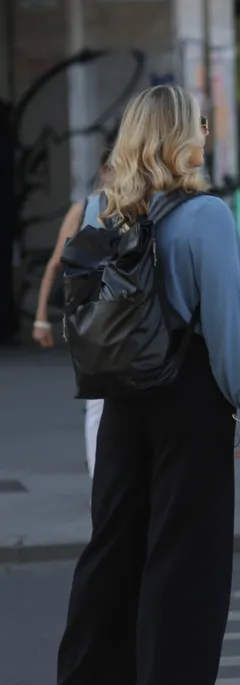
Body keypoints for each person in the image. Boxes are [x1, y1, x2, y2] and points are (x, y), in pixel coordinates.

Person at [50, 86, 240, 685]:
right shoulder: (206, 215)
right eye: (199, 120)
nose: (206, 129)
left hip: (118, 390)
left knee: (113, 537)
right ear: (181, 135)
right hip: (187, 391)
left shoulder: (100, 206)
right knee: (187, 542)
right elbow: (228, 319)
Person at [32, 150, 115, 479]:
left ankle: (105, 476)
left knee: (101, 400)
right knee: (98, 401)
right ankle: (101, 476)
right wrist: (40, 317)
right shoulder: (85, 207)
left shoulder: (134, 202)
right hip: (94, 315)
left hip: (98, 315)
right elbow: (56, 263)